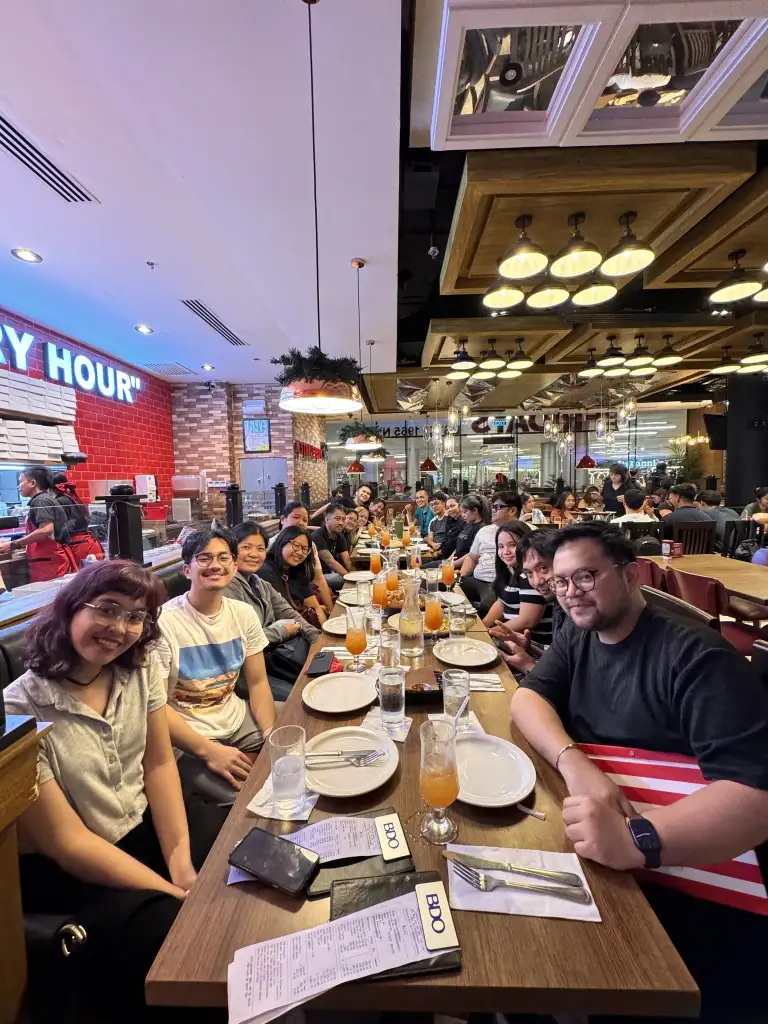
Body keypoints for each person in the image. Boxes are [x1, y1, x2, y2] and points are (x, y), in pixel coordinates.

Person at [510, 522, 768, 1022]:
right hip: (604, 857)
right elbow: (528, 697)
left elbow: (755, 800)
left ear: (630, 577)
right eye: (560, 582)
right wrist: (575, 763)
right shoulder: (580, 632)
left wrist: (637, 839)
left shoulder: (698, 659)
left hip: (692, 892)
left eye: (585, 576)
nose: (569, 593)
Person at [4, 561, 213, 1021]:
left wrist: (181, 863)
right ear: (70, 610)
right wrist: (174, 891)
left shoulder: (135, 673)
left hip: (142, 830)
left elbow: (158, 765)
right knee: (176, 932)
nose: (120, 628)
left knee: (236, 855)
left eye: (136, 616)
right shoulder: (20, 708)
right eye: (108, 609)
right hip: (76, 872)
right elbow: (66, 843)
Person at [157, 526, 277, 805]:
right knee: (249, 799)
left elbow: (258, 683)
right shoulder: (164, 623)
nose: (215, 566)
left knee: (298, 740)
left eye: (224, 558)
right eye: (204, 558)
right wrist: (210, 751)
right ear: (187, 570)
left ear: (234, 567)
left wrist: (271, 734)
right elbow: (157, 707)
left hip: (236, 717)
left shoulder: (243, 614)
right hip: (188, 738)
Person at [226, 522, 320, 700]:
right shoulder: (227, 586)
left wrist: (316, 638)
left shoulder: (259, 583)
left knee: (317, 685)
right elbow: (239, 643)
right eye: (246, 547)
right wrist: (281, 631)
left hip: (269, 660)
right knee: (303, 699)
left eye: (260, 548)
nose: (254, 554)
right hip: (242, 676)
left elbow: (288, 612)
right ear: (231, 550)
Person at [488, 528, 561, 674]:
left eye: (544, 568)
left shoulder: (577, 614)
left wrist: (528, 666)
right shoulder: (562, 607)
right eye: (529, 573)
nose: (537, 581)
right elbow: (559, 657)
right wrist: (530, 648)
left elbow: (569, 681)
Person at [0, 465, 77, 581]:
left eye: (21, 482)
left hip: (50, 562)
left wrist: (15, 543)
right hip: (48, 560)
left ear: (32, 483)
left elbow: (46, 530)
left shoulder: (40, 500)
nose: (18, 486)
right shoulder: (44, 499)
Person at [482, 523, 550, 643]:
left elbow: (527, 620)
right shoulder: (511, 571)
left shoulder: (530, 575)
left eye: (513, 545)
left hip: (532, 643)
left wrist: (489, 633)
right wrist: (482, 626)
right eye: (501, 546)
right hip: (513, 639)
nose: (506, 551)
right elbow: (502, 603)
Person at [459, 491, 525, 613]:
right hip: (477, 579)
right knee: (443, 585)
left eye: (497, 507)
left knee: (485, 607)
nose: (493, 510)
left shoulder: (526, 532)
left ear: (512, 510)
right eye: (492, 506)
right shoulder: (484, 531)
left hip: (498, 583)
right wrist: (460, 576)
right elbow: (472, 557)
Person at [269, 502, 334, 612]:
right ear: (282, 519)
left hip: (302, 597)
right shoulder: (269, 546)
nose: (300, 522)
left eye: (305, 520)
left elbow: (318, 579)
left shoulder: (309, 545)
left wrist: (332, 612)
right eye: (296, 517)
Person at [259, 526, 328, 627]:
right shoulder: (267, 570)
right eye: (296, 545)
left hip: (298, 625)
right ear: (282, 542)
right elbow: (283, 613)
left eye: (305, 549)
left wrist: (325, 632)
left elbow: (315, 607)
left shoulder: (298, 570)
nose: (300, 552)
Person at [52, 470, 105, 564]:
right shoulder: (73, 497)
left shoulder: (59, 501)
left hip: (79, 546)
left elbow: (62, 527)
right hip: (89, 542)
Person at [311, 502, 352, 589]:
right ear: (327, 519)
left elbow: (347, 560)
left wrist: (355, 573)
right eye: (337, 519)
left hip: (332, 573)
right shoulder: (318, 536)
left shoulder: (339, 535)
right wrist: (351, 578)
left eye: (343, 519)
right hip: (318, 577)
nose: (341, 523)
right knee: (346, 580)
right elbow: (331, 563)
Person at [451, 496, 488, 572]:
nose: (462, 515)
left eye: (465, 512)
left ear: (475, 510)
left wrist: (452, 564)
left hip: (463, 567)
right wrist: (448, 561)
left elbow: (471, 555)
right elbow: (458, 548)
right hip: (453, 562)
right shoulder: (468, 524)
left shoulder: (481, 528)